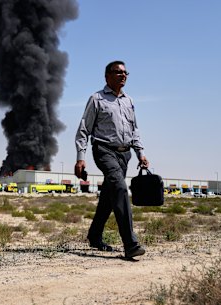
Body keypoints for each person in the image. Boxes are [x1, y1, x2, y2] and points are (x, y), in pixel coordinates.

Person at [74, 60, 150, 259]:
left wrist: (140, 153)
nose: (122, 75)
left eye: (125, 73)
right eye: (117, 72)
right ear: (107, 76)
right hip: (104, 150)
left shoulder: (129, 101)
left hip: (124, 154)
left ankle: (94, 235)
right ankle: (130, 243)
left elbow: (135, 130)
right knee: (120, 188)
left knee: (109, 196)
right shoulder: (97, 98)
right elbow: (84, 129)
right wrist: (80, 158)